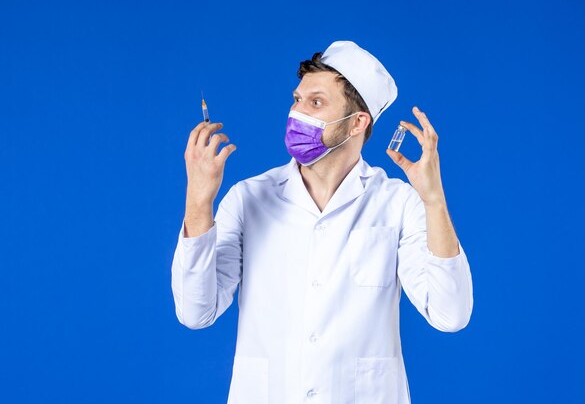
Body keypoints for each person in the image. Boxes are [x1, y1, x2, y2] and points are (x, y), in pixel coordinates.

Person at [171, 40, 474, 404]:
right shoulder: (248, 197)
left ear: (356, 123)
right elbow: (195, 311)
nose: (297, 114)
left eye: (316, 103)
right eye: (297, 100)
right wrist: (198, 201)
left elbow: (450, 313)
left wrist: (433, 199)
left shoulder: (396, 203)